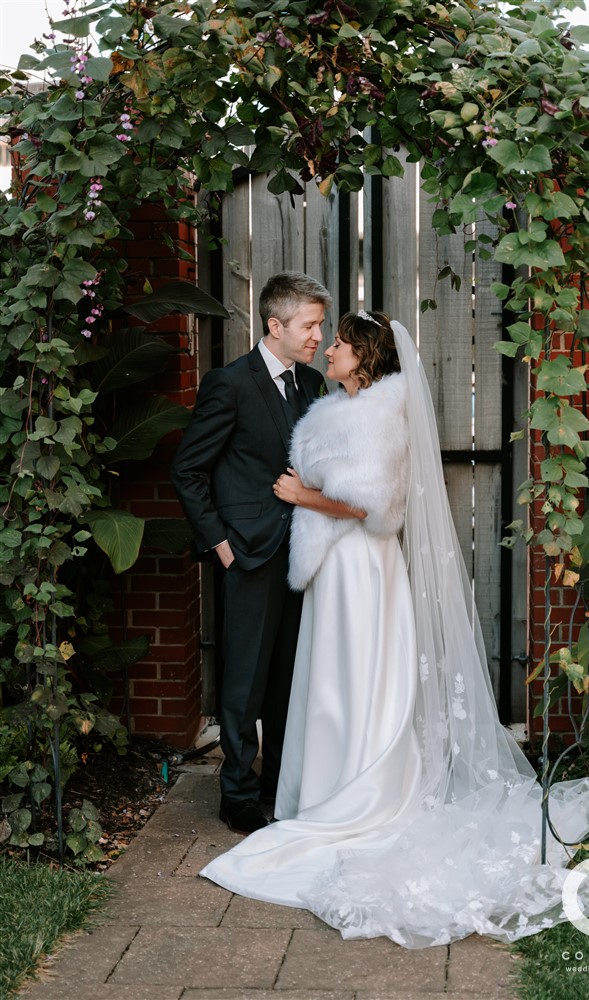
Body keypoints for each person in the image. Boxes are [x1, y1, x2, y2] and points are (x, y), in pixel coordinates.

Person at [199, 310, 589, 946]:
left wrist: (301, 498)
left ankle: (357, 793)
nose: (331, 349)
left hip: (360, 570)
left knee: (356, 681)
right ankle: (319, 791)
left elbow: (373, 505)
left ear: (365, 357)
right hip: (331, 567)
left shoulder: (380, 414)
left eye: (340, 342)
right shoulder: (330, 405)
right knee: (327, 684)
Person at [170, 271, 332, 835]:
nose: (317, 335)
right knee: (243, 682)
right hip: (248, 554)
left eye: (319, 325)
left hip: (304, 555)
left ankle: (279, 783)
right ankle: (236, 793)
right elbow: (188, 470)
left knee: (290, 678)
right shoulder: (230, 383)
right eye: (309, 325)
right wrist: (221, 546)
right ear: (275, 325)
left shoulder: (313, 384)